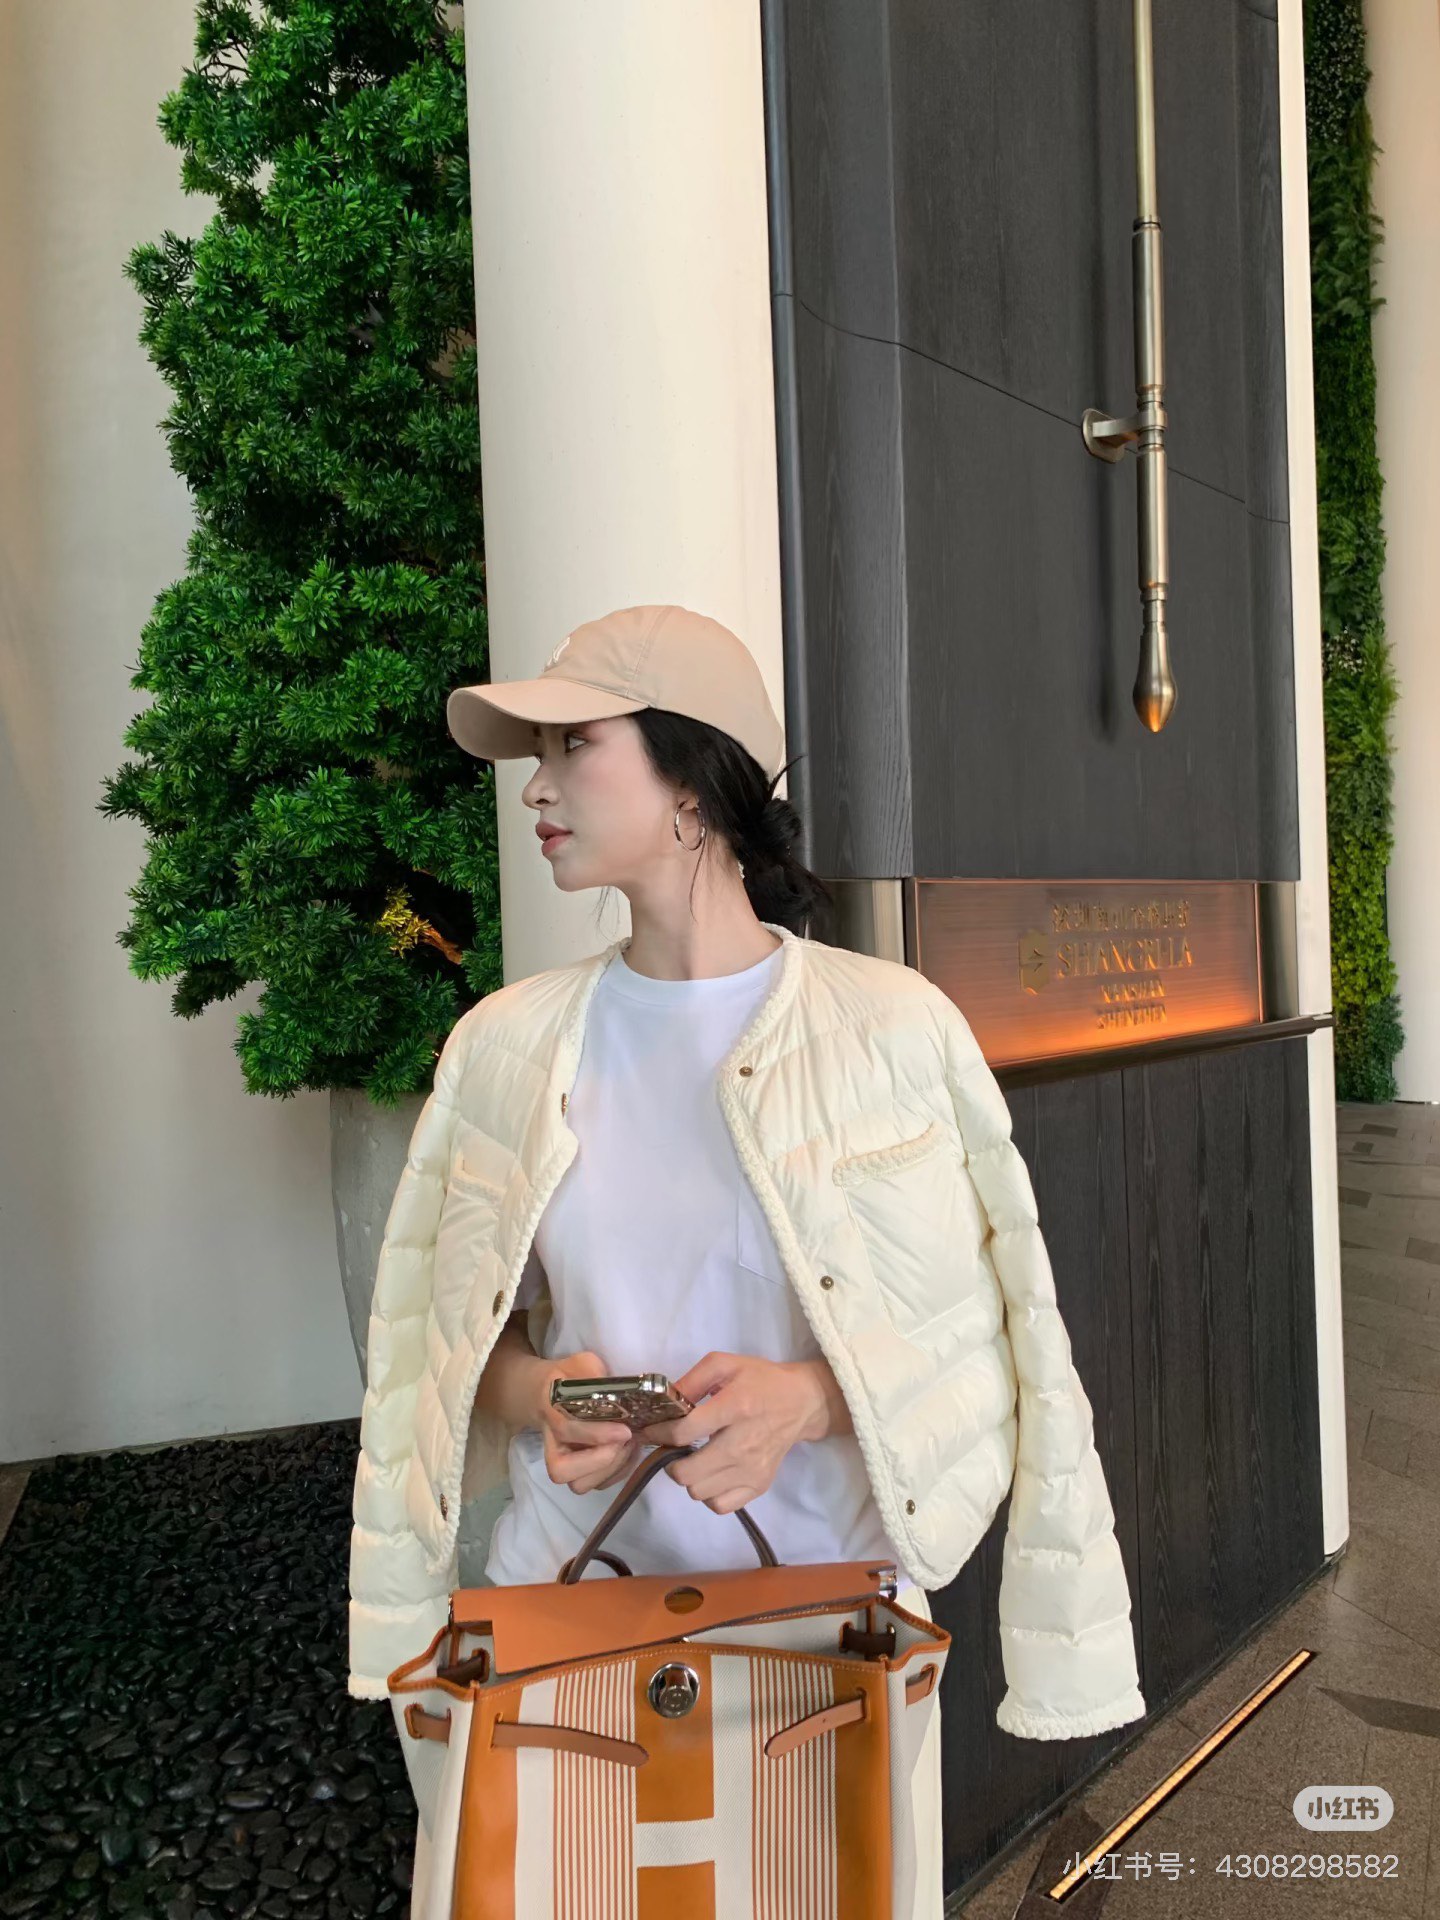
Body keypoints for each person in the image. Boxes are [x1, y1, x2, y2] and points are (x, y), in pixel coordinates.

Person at [348, 604, 1145, 1918]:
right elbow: (441, 1348)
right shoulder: (505, 1044)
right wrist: (539, 1393)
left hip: (823, 1631)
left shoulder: (892, 1031)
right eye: (536, 754)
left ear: (692, 784)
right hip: (567, 1616)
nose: (536, 786)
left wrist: (812, 1401)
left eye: (575, 745)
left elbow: (997, 1341)